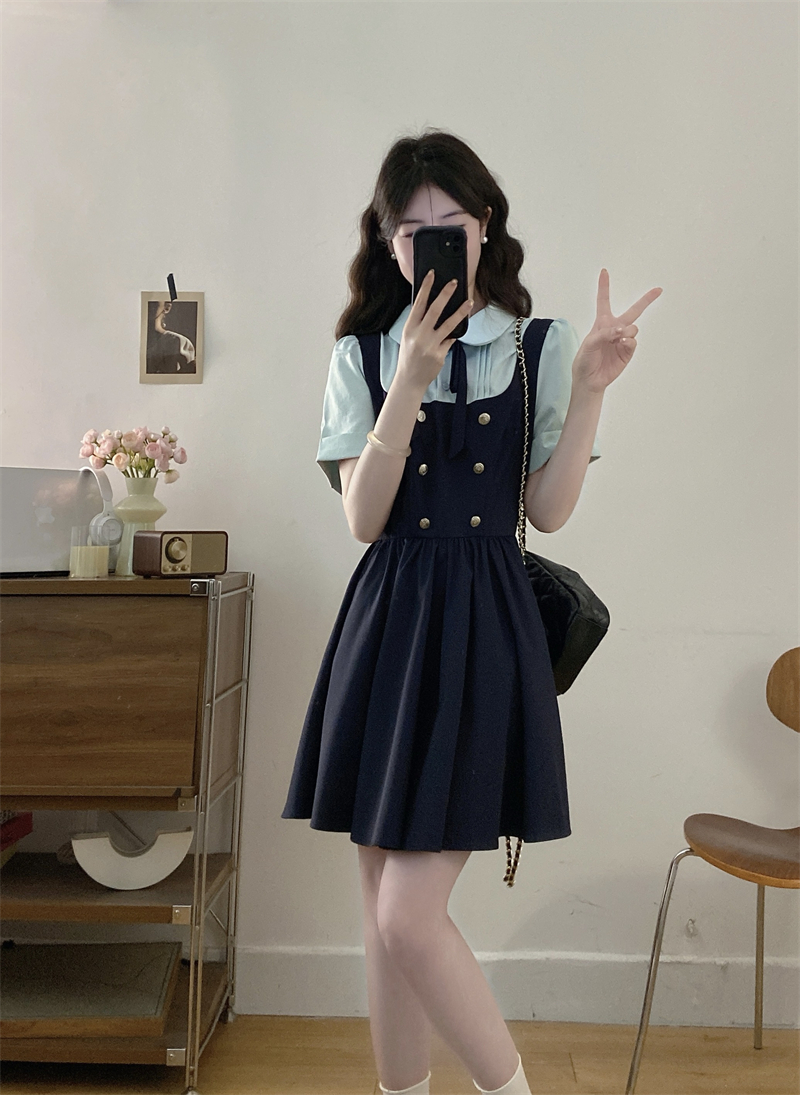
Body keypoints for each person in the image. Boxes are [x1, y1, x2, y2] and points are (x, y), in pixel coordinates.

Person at [281, 129, 662, 1095]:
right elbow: (364, 520)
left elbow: (548, 509)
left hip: (485, 632)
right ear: (387, 242)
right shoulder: (362, 355)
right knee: (381, 905)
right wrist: (410, 375)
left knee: (409, 915)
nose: (433, 242)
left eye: (451, 223)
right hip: (386, 630)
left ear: (485, 228)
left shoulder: (538, 347)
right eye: (413, 230)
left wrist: (589, 392)